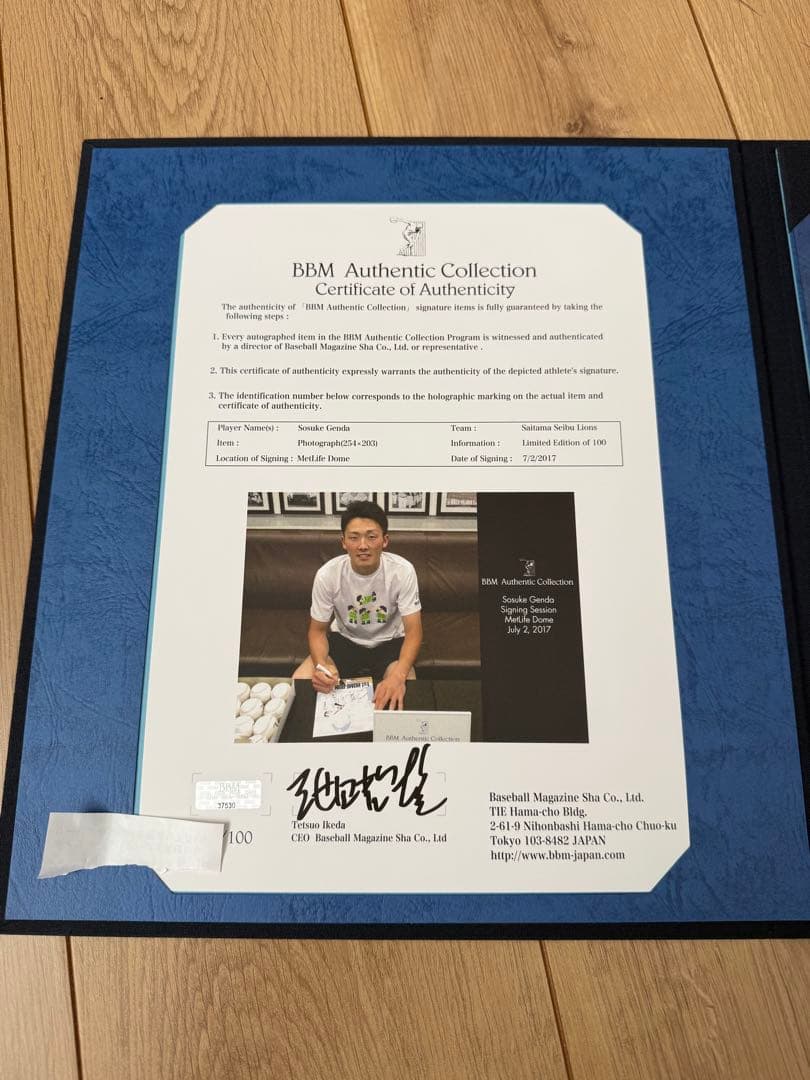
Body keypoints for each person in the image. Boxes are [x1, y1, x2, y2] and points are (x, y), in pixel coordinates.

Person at [293, 500, 422, 709]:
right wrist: (321, 666)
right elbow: (317, 632)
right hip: (344, 641)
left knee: (404, 696)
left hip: (390, 644)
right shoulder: (327, 575)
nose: (363, 545)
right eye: (354, 537)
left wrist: (398, 677)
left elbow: (414, 632)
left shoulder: (402, 571)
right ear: (343, 542)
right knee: (299, 684)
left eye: (371, 537)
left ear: (385, 540)